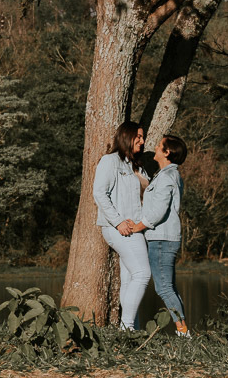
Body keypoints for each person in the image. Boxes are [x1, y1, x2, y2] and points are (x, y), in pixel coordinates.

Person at [93, 121, 150, 330]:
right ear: (127, 136)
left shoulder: (136, 164)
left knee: (129, 278)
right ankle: (127, 327)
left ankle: (130, 328)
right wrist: (118, 222)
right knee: (143, 274)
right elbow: (99, 193)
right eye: (139, 137)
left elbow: (146, 194)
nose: (142, 142)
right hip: (119, 229)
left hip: (136, 228)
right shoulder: (110, 161)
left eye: (142, 137)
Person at [132, 134, 191, 337]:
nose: (155, 148)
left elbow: (158, 211)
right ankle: (183, 330)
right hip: (164, 238)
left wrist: (139, 226)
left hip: (161, 239)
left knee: (164, 288)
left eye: (159, 146)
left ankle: (183, 332)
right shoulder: (166, 174)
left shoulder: (167, 177)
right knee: (169, 287)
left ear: (167, 153)